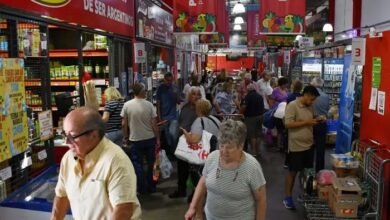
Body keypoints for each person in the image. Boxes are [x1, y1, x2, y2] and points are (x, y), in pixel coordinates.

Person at [51, 107, 141, 220]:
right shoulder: (68, 159)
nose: (67, 142)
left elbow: (123, 210)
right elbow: (61, 196)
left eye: (72, 136)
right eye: (65, 135)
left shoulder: (116, 161)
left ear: (94, 135)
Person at [184, 119, 267, 220]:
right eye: (221, 146)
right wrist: (195, 209)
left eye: (229, 147)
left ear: (240, 146)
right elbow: (202, 184)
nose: (224, 151)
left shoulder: (252, 166)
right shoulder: (212, 158)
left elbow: (261, 200)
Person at [283, 85, 320, 209]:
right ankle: (288, 197)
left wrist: (319, 119)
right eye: (312, 99)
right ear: (306, 95)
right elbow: (288, 124)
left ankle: (303, 194)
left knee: (306, 173)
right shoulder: (292, 106)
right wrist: (307, 123)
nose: (312, 102)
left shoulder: (311, 106)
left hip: (308, 145)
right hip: (296, 147)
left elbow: (313, 118)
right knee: (293, 173)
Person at [121, 83, 160, 194]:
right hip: (149, 139)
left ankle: (141, 187)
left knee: (137, 164)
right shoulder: (149, 105)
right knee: (151, 163)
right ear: (142, 92)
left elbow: (124, 123)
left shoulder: (127, 105)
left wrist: (125, 136)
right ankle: (151, 186)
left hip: (135, 139)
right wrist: (157, 138)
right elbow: (154, 123)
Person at [181, 99, 221, 201]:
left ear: (198, 109)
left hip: (203, 157)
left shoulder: (199, 121)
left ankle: (199, 197)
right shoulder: (215, 120)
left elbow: (194, 140)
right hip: (216, 154)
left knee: (198, 176)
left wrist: (185, 133)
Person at [169, 87, 202, 199]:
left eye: (198, 94)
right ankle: (181, 190)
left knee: (194, 170)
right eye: (193, 94)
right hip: (183, 142)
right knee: (182, 169)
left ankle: (195, 193)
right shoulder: (185, 107)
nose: (196, 97)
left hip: (195, 143)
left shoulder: (201, 109)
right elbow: (180, 122)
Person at [156, 72, 179, 156]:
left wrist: (177, 95)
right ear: (164, 79)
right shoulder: (160, 89)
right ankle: (170, 152)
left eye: (171, 80)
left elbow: (177, 101)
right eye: (168, 80)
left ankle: (173, 152)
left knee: (173, 134)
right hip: (164, 116)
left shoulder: (174, 87)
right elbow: (158, 104)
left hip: (173, 115)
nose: (169, 82)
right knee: (167, 135)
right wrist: (159, 116)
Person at [311, 77, 330, 172]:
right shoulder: (326, 96)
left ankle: (308, 168)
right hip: (322, 123)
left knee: (309, 146)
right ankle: (319, 170)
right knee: (320, 147)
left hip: (310, 122)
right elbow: (327, 109)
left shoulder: (309, 96)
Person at [241, 83, 264, 156]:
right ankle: (259, 150)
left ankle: (253, 151)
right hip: (260, 116)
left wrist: (241, 112)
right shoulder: (260, 96)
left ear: (248, 90)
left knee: (252, 135)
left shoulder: (247, 97)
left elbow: (244, 106)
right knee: (258, 134)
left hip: (250, 117)